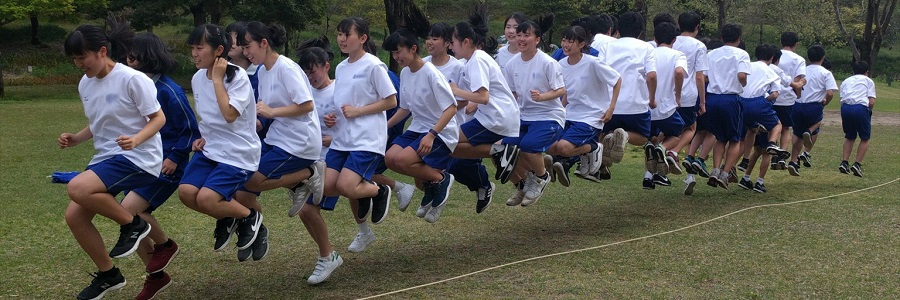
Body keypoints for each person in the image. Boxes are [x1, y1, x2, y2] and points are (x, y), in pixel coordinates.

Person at [60, 20, 165, 300]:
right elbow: (100, 123)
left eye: (82, 57)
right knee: (74, 216)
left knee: (78, 188)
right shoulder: (86, 83)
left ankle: (133, 224)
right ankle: (109, 275)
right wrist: (76, 138)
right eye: (74, 59)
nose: (79, 64)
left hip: (139, 157)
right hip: (108, 156)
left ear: (102, 51)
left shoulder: (132, 79)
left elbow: (158, 118)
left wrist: (136, 140)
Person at [232, 21, 326, 261]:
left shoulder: (287, 68)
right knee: (241, 186)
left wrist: (272, 113)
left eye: (248, 45)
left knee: (253, 179)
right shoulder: (263, 71)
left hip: (300, 142)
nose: (245, 52)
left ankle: (309, 172)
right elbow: (266, 110)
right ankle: (256, 230)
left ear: (264, 43)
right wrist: (253, 123)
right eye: (242, 47)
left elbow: (307, 105)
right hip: (279, 138)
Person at [125, 32, 200, 300]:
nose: (128, 59)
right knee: (128, 223)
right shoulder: (135, 86)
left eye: (133, 54)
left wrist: (175, 156)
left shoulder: (169, 90)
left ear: (147, 56)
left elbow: (191, 130)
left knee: (129, 213)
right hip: (142, 163)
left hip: (167, 165)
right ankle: (156, 278)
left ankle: (166, 245)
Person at [178, 24, 263, 256]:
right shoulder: (197, 78)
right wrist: (201, 138)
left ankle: (250, 216)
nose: (194, 53)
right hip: (210, 149)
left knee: (207, 198)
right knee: (186, 192)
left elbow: (229, 115)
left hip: (238, 153)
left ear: (219, 50)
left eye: (200, 48)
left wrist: (217, 80)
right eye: (192, 48)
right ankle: (230, 217)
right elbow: (208, 118)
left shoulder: (238, 77)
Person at [326, 17, 397, 254]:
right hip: (342, 138)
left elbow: (391, 100)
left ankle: (379, 190)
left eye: (348, 35)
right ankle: (374, 192)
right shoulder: (341, 66)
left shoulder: (373, 65)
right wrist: (333, 118)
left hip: (367, 138)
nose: (342, 39)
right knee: (326, 186)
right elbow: (343, 103)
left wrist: (359, 111)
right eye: (339, 34)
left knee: (347, 186)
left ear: (363, 38)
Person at [448, 6, 521, 213]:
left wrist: (457, 90)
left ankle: (499, 151)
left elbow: (483, 96)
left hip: (496, 117)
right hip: (495, 116)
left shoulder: (477, 60)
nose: (451, 47)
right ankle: (498, 156)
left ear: (466, 42)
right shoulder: (474, 60)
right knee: (451, 146)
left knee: (449, 141)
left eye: (453, 42)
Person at [383, 28, 460, 222]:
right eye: (393, 52)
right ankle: (433, 185)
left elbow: (451, 108)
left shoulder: (431, 74)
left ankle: (441, 179)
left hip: (440, 132)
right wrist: (383, 126)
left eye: (398, 51)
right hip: (417, 127)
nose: (396, 56)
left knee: (402, 160)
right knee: (390, 158)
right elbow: (405, 108)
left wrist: (431, 135)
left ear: (413, 48)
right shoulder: (406, 73)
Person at [295, 35, 344, 285]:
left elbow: (355, 129)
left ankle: (328, 255)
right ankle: (328, 254)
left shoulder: (340, 90)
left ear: (326, 66)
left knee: (306, 209)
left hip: (334, 160)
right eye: (307, 73)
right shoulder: (306, 94)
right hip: (311, 162)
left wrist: (331, 138)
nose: (311, 77)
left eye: (314, 71)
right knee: (305, 212)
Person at [502, 20, 566, 206]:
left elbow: (561, 90)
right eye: (519, 35)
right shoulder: (512, 64)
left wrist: (543, 96)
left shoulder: (548, 63)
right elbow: (512, 93)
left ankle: (541, 177)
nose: (521, 39)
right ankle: (523, 185)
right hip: (524, 116)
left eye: (526, 35)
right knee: (504, 149)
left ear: (537, 39)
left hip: (549, 116)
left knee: (529, 146)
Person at [547, 25, 621, 185]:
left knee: (564, 148)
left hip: (591, 116)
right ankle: (582, 155)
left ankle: (594, 147)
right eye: (564, 40)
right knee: (549, 145)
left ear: (581, 44)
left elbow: (617, 80)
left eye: (570, 41)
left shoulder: (593, 63)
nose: (565, 45)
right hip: (570, 114)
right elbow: (565, 92)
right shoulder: (561, 64)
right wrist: (558, 111)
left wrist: (611, 108)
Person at [594, 12, 657, 182]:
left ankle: (602, 163)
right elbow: (651, 76)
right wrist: (652, 98)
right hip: (635, 104)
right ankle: (625, 136)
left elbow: (599, 71)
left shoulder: (608, 47)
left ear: (618, 30)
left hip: (611, 103)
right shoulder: (647, 47)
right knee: (643, 137)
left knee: (603, 133)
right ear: (640, 32)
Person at [703, 23, 750, 189]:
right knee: (735, 138)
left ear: (722, 38)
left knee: (719, 136)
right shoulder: (742, 54)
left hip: (713, 98)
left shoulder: (712, 54)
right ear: (739, 38)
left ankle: (715, 170)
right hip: (730, 99)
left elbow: (705, 77)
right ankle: (726, 172)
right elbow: (742, 75)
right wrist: (743, 83)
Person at [735, 44, 788, 193]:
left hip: (741, 103)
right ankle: (760, 180)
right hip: (760, 105)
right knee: (777, 127)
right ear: (772, 58)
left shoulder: (748, 66)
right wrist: (766, 101)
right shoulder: (771, 71)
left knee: (752, 133)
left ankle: (744, 167)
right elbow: (775, 93)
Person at [644, 22, 686, 190]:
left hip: (647, 106)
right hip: (666, 106)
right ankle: (663, 149)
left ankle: (649, 176)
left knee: (652, 139)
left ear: (655, 38)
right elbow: (679, 72)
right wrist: (678, 95)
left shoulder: (649, 53)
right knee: (677, 133)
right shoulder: (677, 55)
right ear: (674, 39)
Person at [670, 12, 708, 195]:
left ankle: (652, 171)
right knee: (690, 130)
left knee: (667, 131)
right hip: (688, 95)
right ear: (697, 27)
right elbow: (699, 76)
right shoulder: (699, 46)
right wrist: (703, 100)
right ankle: (676, 156)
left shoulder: (671, 40)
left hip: (668, 93)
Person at [787, 45, 837, 176]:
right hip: (813, 105)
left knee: (797, 135)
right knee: (818, 121)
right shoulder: (825, 72)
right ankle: (809, 133)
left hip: (797, 105)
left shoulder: (803, 70)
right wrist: (826, 101)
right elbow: (830, 93)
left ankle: (793, 161)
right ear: (823, 57)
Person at [771, 32, 807, 170]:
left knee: (773, 126)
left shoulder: (773, 53)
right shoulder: (798, 59)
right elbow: (798, 80)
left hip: (771, 95)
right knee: (786, 128)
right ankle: (781, 155)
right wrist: (797, 94)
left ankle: (772, 151)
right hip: (787, 98)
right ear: (796, 44)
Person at [838, 61, 876, 177]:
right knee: (865, 138)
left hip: (845, 108)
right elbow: (871, 101)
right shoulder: (868, 81)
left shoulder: (846, 81)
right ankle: (857, 164)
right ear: (867, 72)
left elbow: (843, 97)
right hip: (860, 108)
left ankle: (844, 162)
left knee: (850, 136)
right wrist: (868, 111)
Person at [495, 13, 528, 79]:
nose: (511, 31)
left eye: (515, 27)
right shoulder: (499, 53)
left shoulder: (529, 54)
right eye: (508, 27)